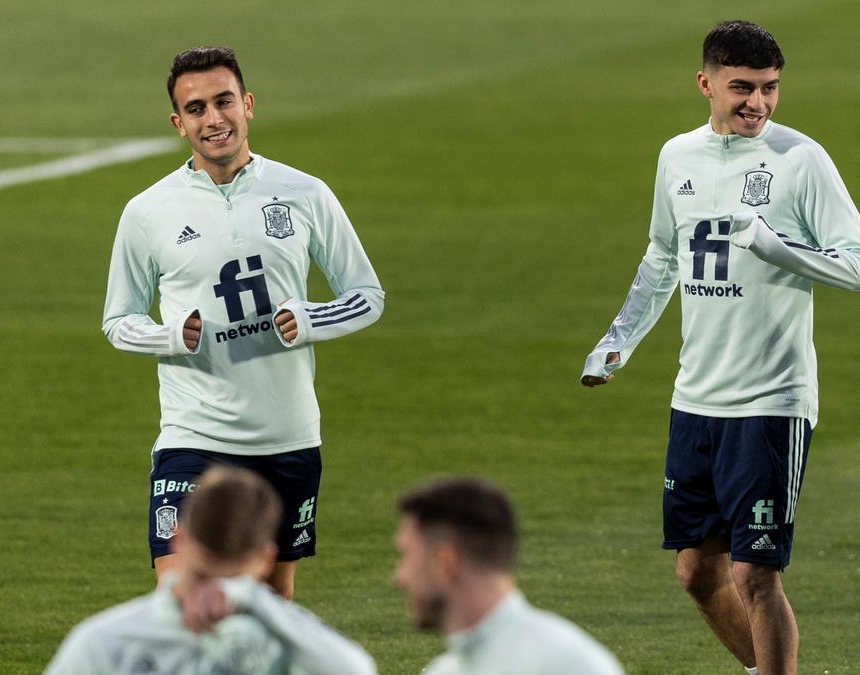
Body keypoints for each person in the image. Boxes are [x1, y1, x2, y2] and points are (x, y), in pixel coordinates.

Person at [580, 20, 860, 674]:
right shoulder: (676, 157)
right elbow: (664, 255)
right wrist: (618, 340)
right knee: (696, 570)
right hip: (697, 398)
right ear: (705, 83)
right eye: (742, 87)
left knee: (756, 576)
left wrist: (775, 245)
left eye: (770, 88)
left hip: (771, 400)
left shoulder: (800, 159)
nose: (759, 104)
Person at [102, 46, 385, 599]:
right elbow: (118, 320)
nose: (214, 119)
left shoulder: (304, 193)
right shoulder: (147, 211)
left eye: (224, 101)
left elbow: (367, 295)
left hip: (287, 435)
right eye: (197, 108)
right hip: (194, 436)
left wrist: (309, 319)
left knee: (270, 607)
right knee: (181, 597)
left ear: (248, 105)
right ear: (178, 123)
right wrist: (167, 333)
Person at [45, 466, 377, 674]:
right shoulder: (108, 643)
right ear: (178, 540)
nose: (213, 595)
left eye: (232, 582)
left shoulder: (283, 640)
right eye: (203, 576)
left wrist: (252, 601)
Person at [393, 477, 624, 675]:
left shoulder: (565, 665)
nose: (399, 578)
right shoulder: (445, 670)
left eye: (407, 556)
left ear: (445, 563)